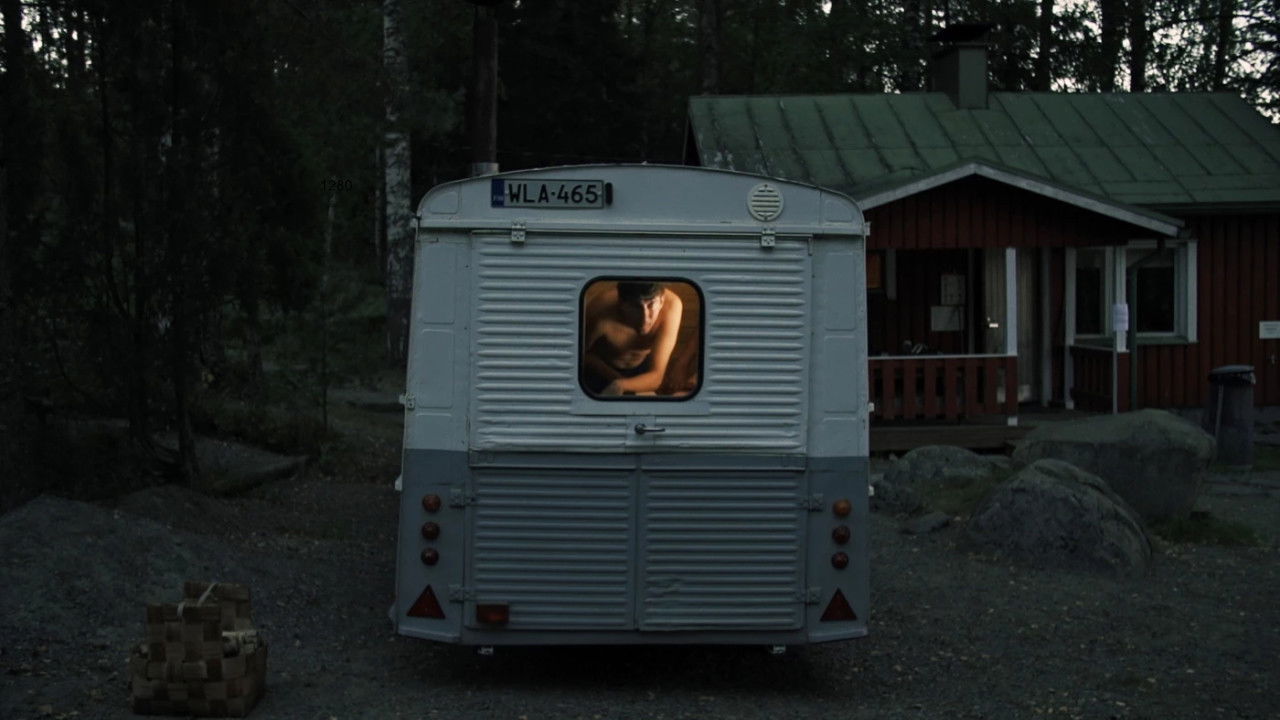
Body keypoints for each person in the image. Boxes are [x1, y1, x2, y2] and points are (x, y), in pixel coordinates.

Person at [581, 281, 684, 397]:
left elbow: (656, 376)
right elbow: (579, 357)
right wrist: (616, 380)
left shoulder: (672, 307)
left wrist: (620, 384)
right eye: (636, 307)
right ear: (622, 304)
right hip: (598, 369)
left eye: (651, 304)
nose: (645, 318)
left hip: (640, 369)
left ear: (661, 301)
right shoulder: (599, 310)